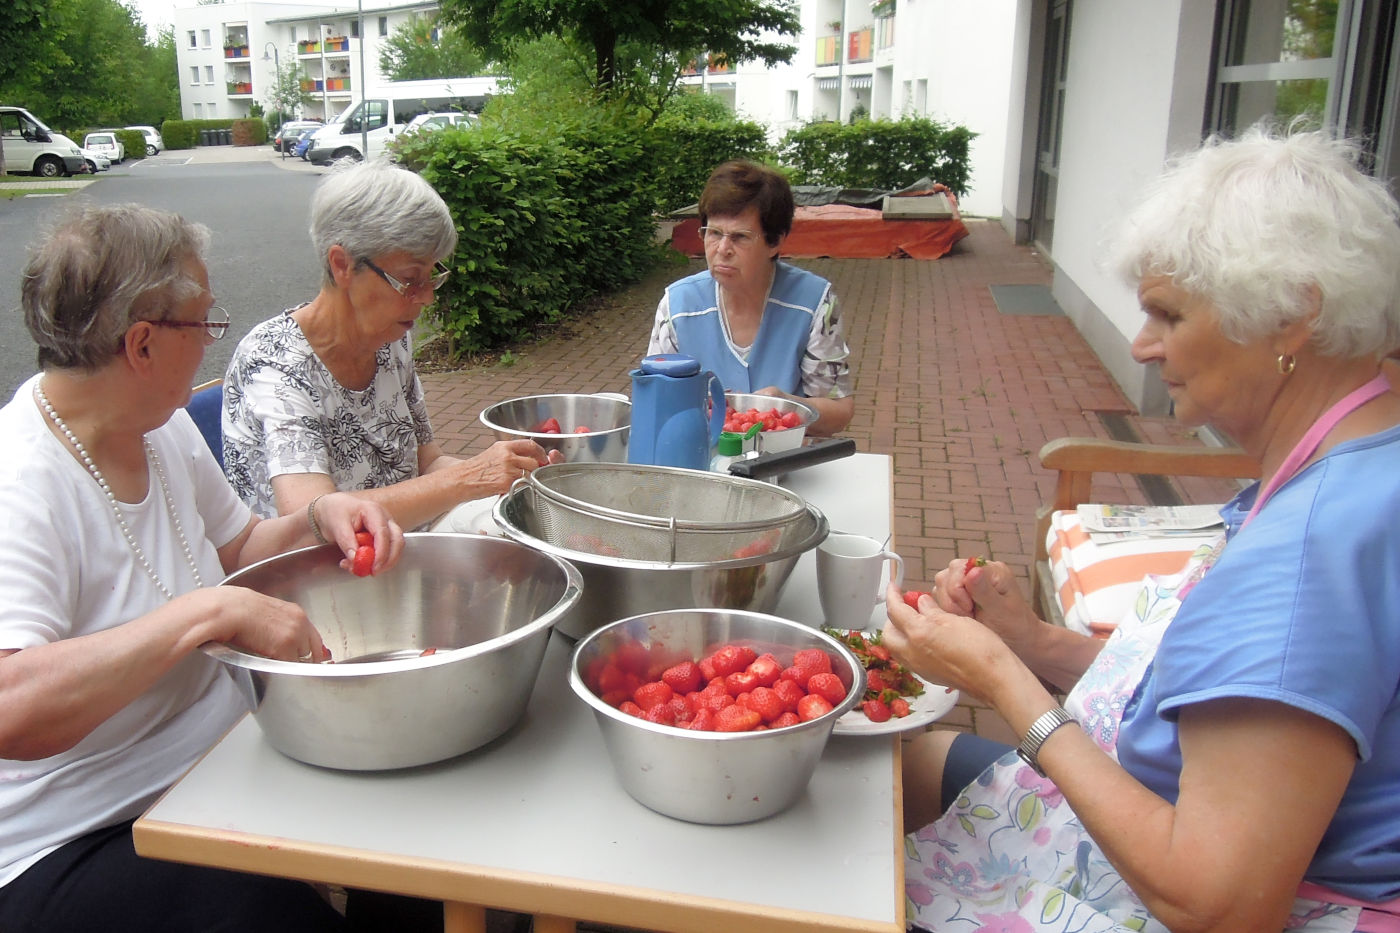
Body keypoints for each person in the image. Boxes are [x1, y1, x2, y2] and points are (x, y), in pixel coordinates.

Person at [885, 126, 1400, 932]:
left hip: (1203, 897)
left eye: (1168, 313)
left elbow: (1219, 903)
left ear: (1293, 313)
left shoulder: (1307, 558)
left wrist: (1002, 681)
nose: (1142, 344)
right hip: (1170, 815)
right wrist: (1030, 638)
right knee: (903, 764)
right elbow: (1226, 699)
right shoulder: (1361, 454)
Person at [0, 203, 406, 931]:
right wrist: (205, 613)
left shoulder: (160, 423)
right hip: (76, 834)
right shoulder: (21, 480)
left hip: (213, 763)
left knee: (409, 819)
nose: (216, 339)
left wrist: (321, 515)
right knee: (267, 915)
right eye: (206, 323)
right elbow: (11, 707)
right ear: (143, 343)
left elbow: (242, 546)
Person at [223, 160, 560, 529]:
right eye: (410, 279)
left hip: (399, 550)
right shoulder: (273, 362)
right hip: (317, 575)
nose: (427, 298)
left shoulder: (388, 340)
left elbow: (426, 462)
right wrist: (469, 478)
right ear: (342, 265)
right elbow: (309, 520)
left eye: (433, 276)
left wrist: (511, 475)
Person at [648, 159, 855, 436]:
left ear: (775, 241)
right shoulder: (677, 305)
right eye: (714, 233)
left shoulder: (814, 302)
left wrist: (787, 406)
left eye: (740, 237)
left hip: (784, 463)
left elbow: (838, 412)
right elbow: (655, 401)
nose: (723, 249)